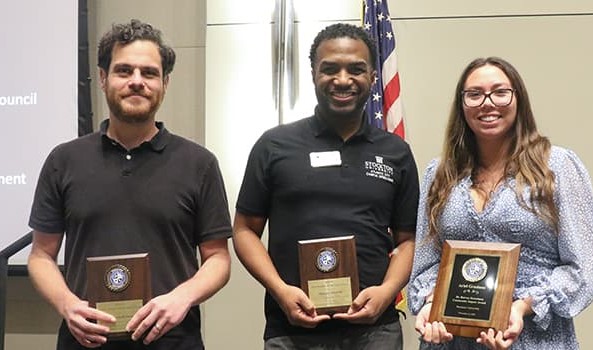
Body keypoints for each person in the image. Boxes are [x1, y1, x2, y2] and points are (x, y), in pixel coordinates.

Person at [27, 19, 232, 350]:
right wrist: (67, 304)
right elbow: (40, 256)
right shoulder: (63, 161)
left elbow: (219, 259)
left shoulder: (200, 164)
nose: (137, 82)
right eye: (124, 71)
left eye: (149, 73)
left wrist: (182, 297)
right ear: (104, 78)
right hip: (86, 339)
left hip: (173, 341)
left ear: (164, 83)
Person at [233, 23, 420, 349]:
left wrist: (387, 292)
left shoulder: (396, 152)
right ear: (313, 74)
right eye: (330, 69)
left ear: (373, 78)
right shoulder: (273, 145)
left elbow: (408, 240)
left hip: (376, 331)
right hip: (292, 331)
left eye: (356, 69)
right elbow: (245, 230)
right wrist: (280, 290)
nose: (343, 80)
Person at [408, 56, 593, 350]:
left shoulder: (557, 167)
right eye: (474, 94)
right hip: (451, 339)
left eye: (500, 92)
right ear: (462, 105)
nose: (487, 102)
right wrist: (430, 303)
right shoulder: (439, 173)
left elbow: (585, 268)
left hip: (533, 337)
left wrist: (523, 306)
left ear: (518, 99)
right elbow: (425, 263)